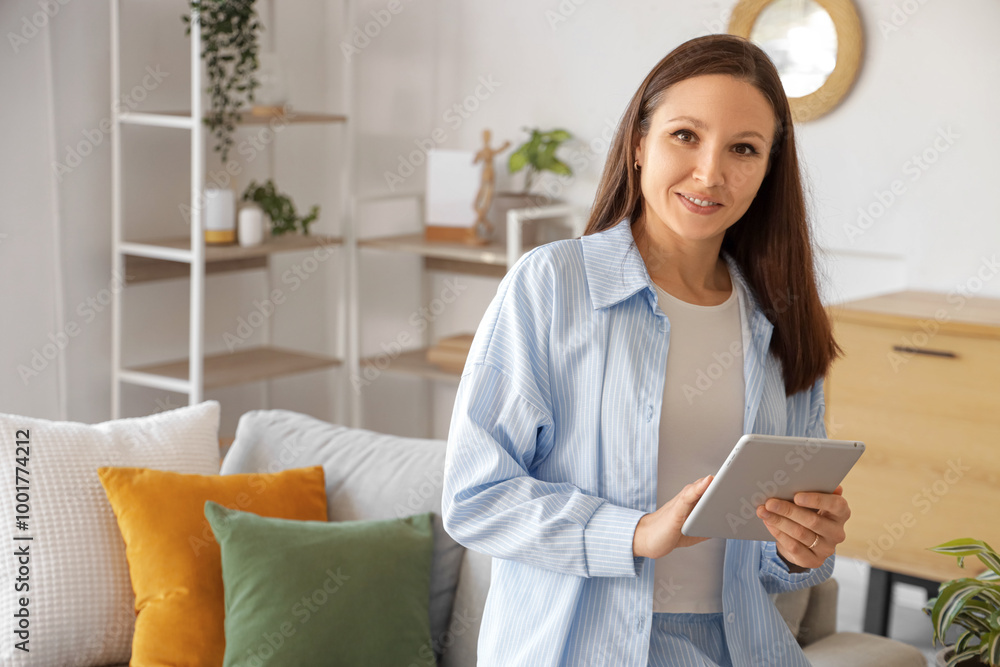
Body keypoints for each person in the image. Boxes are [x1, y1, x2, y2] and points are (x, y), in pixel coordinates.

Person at [441, 33, 852, 667]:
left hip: (743, 650)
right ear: (638, 145)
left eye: (743, 149)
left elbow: (773, 565)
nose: (710, 172)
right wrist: (631, 533)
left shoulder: (783, 318)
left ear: (768, 169)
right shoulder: (552, 285)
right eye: (685, 136)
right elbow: (475, 498)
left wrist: (803, 546)